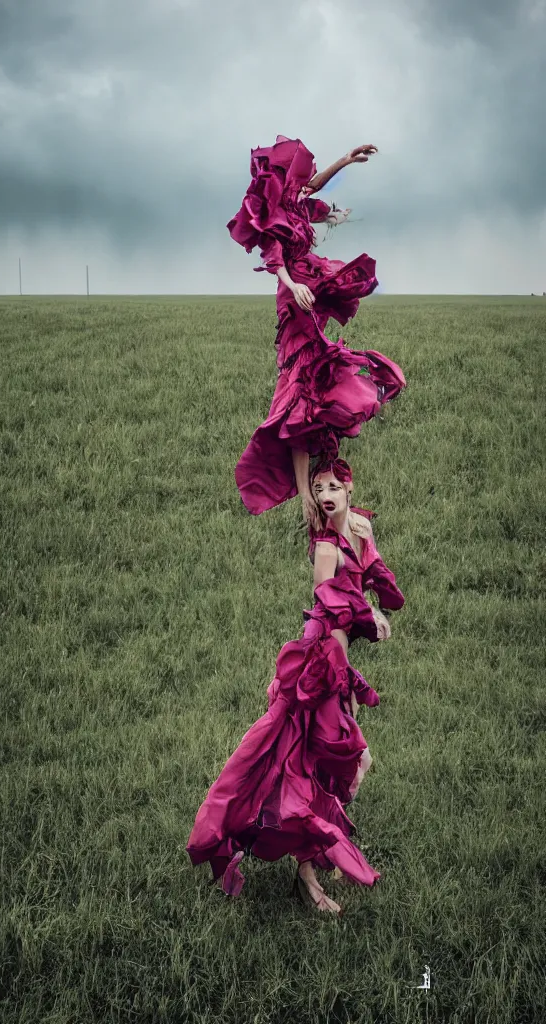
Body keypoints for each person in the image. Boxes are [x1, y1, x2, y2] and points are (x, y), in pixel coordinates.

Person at [186, 457, 404, 914]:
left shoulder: (360, 528)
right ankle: (309, 869)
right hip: (322, 664)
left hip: (341, 665)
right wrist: (371, 614)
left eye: (333, 487)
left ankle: (317, 851)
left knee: (334, 765)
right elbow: (328, 606)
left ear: (349, 489)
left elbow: (373, 576)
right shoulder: (325, 547)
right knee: (348, 760)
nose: (325, 494)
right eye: (317, 487)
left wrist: (381, 600)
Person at [227, 135, 405, 523]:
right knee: (300, 382)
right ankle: (306, 490)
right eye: (291, 170)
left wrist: (346, 160)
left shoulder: (296, 203)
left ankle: (319, 468)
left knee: (316, 373)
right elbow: (274, 260)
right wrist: (295, 286)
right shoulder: (275, 214)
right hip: (295, 295)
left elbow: (314, 187)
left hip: (311, 282)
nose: (299, 176)